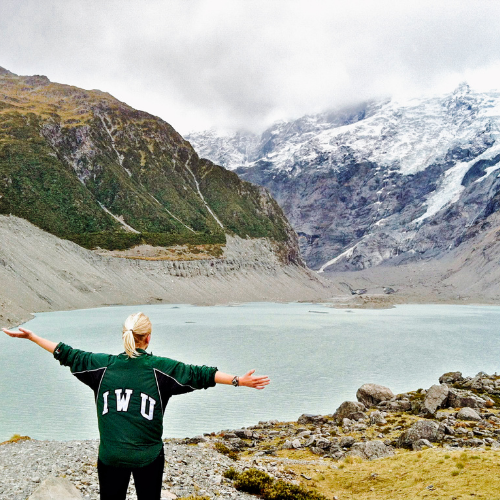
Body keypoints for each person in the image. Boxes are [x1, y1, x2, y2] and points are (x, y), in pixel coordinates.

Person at [2, 312, 270, 500]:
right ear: (148, 338)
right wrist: (238, 381)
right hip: (148, 459)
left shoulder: (101, 366)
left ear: (124, 336)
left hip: (111, 457)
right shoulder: (161, 370)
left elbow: (66, 353)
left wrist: (33, 337)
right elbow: (201, 374)